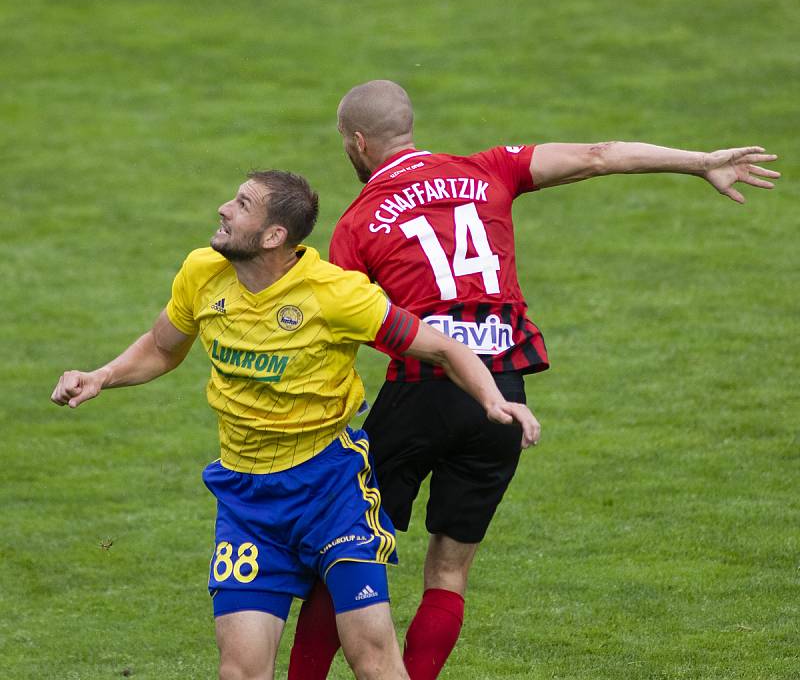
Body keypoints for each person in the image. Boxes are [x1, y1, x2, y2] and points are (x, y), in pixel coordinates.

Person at [288, 80, 781, 679]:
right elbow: (600, 154)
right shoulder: (489, 169)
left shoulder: (357, 222)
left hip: (417, 396)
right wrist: (701, 162)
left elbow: (341, 328)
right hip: (502, 400)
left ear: (358, 142)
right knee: (448, 573)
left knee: (347, 560)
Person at [50, 169, 540, 680]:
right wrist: (100, 376)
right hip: (247, 499)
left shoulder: (337, 294)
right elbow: (160, 346)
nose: (223, 208)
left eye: (240, 205)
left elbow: (441, 345)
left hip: (330, 489)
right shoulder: (202, 273)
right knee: (239, 671)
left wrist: (494, 400)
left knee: (372, 657)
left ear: (273, 236)